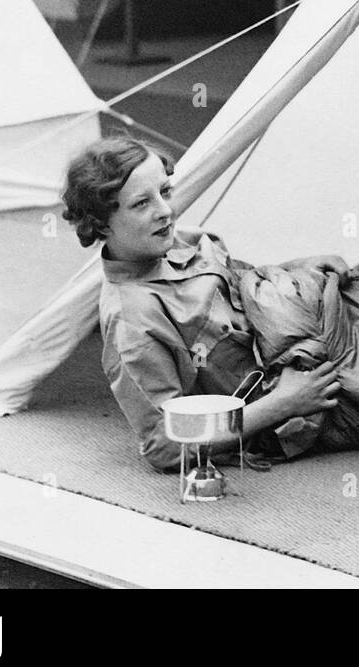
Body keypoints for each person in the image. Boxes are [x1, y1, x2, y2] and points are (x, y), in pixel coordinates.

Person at [61, 137, 344, 472]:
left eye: (164, 192)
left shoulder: (182, 239)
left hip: (297, 329)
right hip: (296, 399)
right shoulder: (131, 323)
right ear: (101, 222)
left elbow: (244, 284)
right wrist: (281, 404)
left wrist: (297, 267)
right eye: (141, 204)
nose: (165, 210)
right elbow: (166, 446)